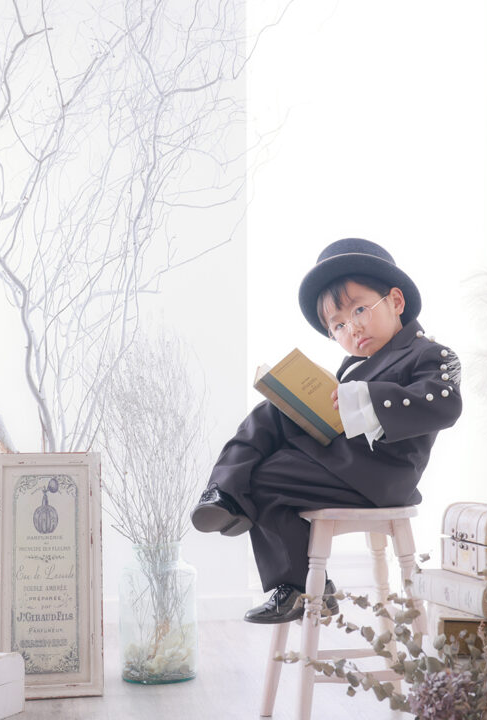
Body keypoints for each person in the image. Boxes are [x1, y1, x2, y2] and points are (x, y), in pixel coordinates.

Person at [191, 238, 462, 623]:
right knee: (271, 411)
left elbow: (445, 403)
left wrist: (365, 397)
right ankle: (223, 491)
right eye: (338, 325)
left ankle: (296, 580)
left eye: (360, 309)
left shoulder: (428, 354)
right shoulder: (353, 366)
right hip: (342, 465)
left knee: (265, 478)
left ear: (396, 301)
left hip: (384, 474)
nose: (353, 328)